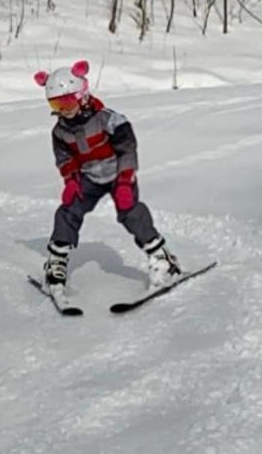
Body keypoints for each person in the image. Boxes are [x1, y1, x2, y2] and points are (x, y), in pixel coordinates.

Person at [33, 59, 181, 291]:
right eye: (56, 105)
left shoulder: (109, 119)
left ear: (82, 95)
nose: (64, 110)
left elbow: (127, 149)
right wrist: (71, 181)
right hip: (88, 178)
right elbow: (65, 159)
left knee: (130, 212)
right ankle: (56, 262)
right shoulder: (60, 131)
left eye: (67, 102)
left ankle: (163, 258)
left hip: (116, 172)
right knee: (68, 211)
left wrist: (124, 181)